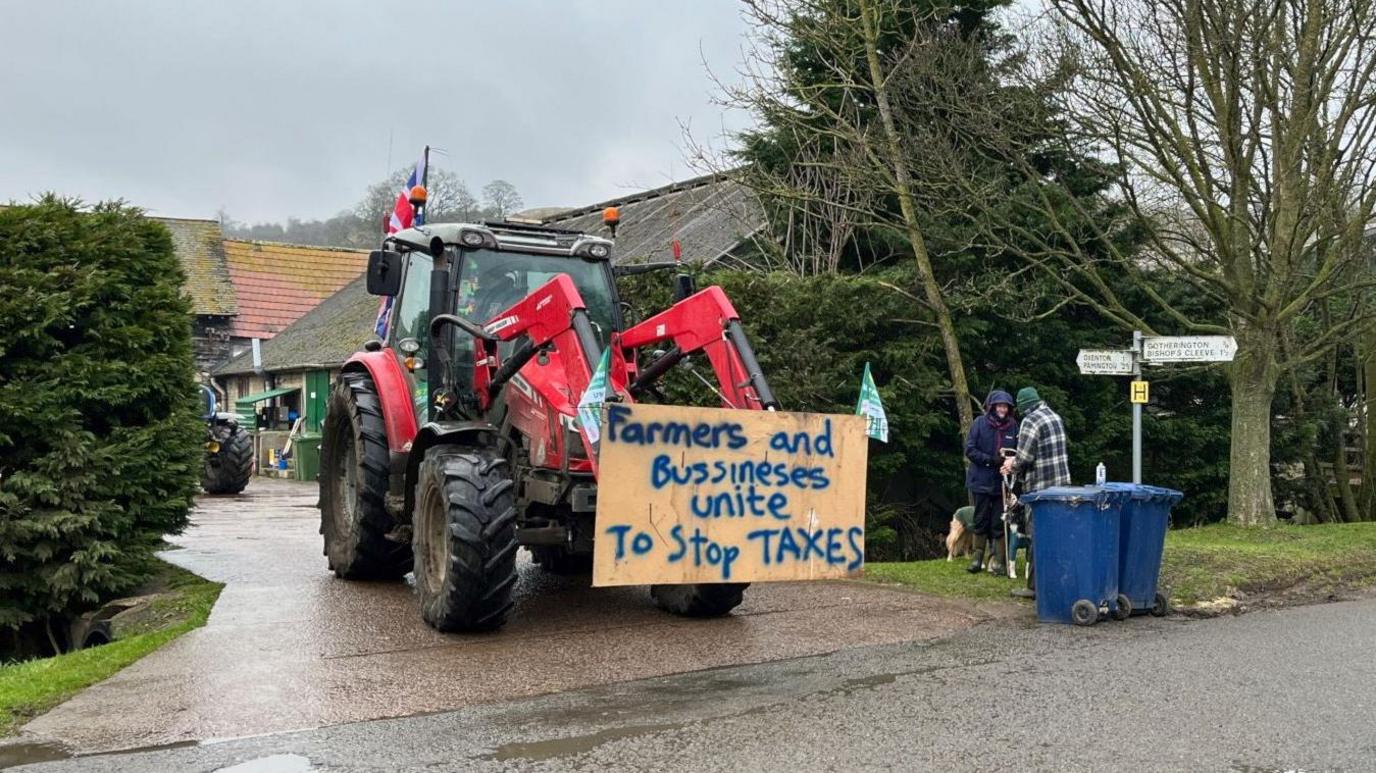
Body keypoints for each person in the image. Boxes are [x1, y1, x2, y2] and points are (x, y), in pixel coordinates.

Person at [1000, 386, 1071, 599]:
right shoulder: (1054, 416)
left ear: (1023, 407)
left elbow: (1025, 457)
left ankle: (1035, 587)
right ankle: (1058, 582)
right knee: (1057, 536)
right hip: (1062, 487)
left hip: (1040, 489)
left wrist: (1010, 465)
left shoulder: (1030, 421)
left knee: (1037, 537)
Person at [963, 390, 1019, 575]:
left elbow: (1018, 451)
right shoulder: (980, 423)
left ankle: (998, 561)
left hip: (1002, 483)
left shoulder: (1013, 426)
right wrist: (989, 460)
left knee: (999, 521)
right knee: (980, 519)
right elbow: (970, 450)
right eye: (999, 405)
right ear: (992, 407)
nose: (1002, 409)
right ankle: (977, 558)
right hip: (980, 479)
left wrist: (1010, 463)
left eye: (1005, 406)